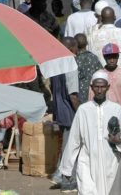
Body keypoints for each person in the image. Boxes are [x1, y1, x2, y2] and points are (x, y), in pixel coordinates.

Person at [60, 71, 121, 195]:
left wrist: (120, 140)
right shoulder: (83, 110)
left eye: (102, 87)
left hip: (110, 161)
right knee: (87, 190)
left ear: (108, 87)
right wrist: (67, 169)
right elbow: (74, 140)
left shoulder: (116, 109)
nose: (99, 90)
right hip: (87, 161)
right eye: (97, 87)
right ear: (91, 87)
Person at [50, 37, 80, 191]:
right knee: (70, 147)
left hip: (59, 111)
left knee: (65, 145)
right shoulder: (71, 64)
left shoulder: (55, 64)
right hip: (69, 112)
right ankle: (65, 179)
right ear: (73, 48)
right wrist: (80, 111)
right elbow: (73, 94)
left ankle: (58, 174)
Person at [86, 7, 121, 73]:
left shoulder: (92, 36)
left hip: (101, 80)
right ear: (115, 17)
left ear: (101, 18)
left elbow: (90, 60)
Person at [75, 33, 102, 103]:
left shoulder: (74, 60)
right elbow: (101, 73)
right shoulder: (94, 57)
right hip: (94, 93)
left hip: (79, 95)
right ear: (87, 43)